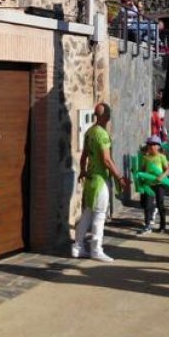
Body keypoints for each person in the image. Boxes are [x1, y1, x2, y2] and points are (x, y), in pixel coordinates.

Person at [73, 103, 125, 262]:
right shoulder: (102, 134)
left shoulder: (89, 132)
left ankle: (77, 247)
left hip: (89, 179)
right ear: (106, 116)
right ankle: (96, 249)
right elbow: (107, 160)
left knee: (87, 214)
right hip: (100, 180)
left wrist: (83, 170)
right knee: (99, 216)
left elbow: (84, 155)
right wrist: (119, 177)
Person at [138, 135, 169, 234]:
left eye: (153, 145)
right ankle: (147, 225)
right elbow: (142, 169)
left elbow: (167, 169)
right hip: (148, 185)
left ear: (158, 146)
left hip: (159, 185)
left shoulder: (162, 157)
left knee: (160, 205)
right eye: (149, 145)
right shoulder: (146, 158)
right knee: (147, 205)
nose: (151, 147)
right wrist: (140, 177)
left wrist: (162, 176)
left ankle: (163, 225)